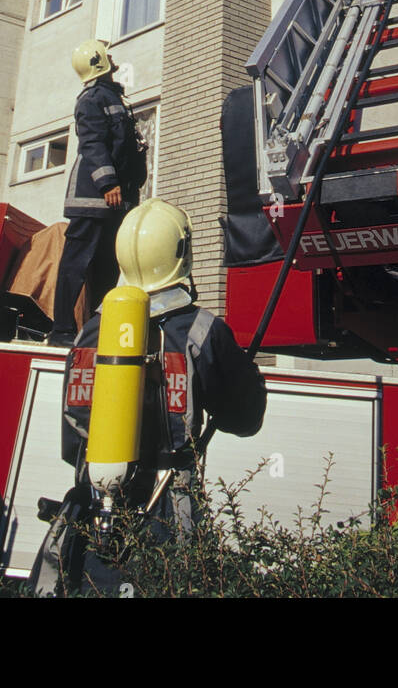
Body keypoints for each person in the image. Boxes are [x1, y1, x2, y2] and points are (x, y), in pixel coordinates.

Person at [31, 199, 267, 595]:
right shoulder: (203, 331)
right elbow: (245, 419)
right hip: (167, 512)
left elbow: (73, 434)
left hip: (94, 508)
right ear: (181, 252)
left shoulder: (91, 331)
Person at [47, 39, 148, 348]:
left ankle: (93, 331)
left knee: (106, 266)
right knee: (77, 263)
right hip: (94, 197)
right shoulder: (91, 99)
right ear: (98, 61)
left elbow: (121, 146)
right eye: (107, 54)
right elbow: (92, 143)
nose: (112, 56)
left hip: (115, 200)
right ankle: (62, 331)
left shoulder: (113, 97)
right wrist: (108, 183)